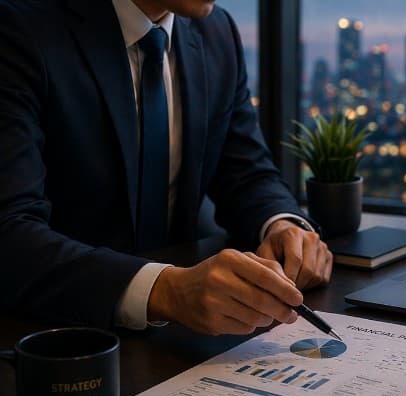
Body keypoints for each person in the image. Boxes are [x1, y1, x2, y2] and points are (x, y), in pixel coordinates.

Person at [0, 0, 334, 335]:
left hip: (185, 335)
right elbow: (10, 231)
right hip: (59, 336)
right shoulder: (21, 28)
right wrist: (166, 290)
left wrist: (282, 226)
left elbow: (246, 171)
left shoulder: (217, 32)